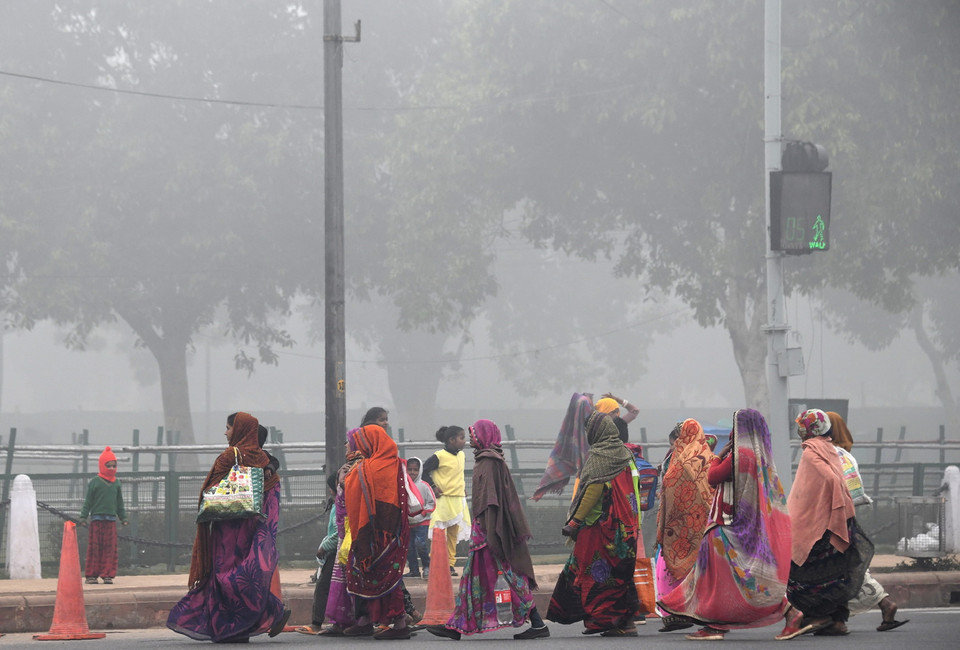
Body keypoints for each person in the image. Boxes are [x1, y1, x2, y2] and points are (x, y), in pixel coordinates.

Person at [657, 409, 794, 641]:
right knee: (742, 577)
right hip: (747, 525)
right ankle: (789, 612)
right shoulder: (759, 455)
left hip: (726, 523)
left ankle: (716, 625)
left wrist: (721, 453)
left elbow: (713, 476)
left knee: (716, 576)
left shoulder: (739, 454)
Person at [167, 411, 290, 643]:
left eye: (228, 428)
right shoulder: (264, 462)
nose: (226, 433)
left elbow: (210, 490)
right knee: (245, 576)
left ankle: (230, 626)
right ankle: (259, 618)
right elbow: (270, 498)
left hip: (227, 531)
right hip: (252, 530)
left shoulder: (229, 455)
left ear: (240, 430)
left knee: (223, 575)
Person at [427, 419, 549, 641]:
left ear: (484, 436)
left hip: (489, 532)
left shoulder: (489, 462)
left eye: (473, 434)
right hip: (484, 530)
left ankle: (538, 623)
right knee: (475, 579)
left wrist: (490, 531)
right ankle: (457, 626)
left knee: (508, 577)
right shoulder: (487, 460)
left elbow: (491, 500)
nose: (471, 438)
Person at [546, 411, 642, 637]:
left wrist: (575, 521)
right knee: (621, 574)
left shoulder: (600, 456)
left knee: (596, 574)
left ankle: (602, 620)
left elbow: (592, 491)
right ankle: (626, 623)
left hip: (601, 528)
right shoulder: (626, 453)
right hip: (627, 528)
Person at [785, 408, 875, 637]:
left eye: (803, 426)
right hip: (833, 521)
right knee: (835, 574)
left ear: (810, 428)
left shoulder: (811, 451)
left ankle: (818, 616)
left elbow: (830, 478)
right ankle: (837, 622)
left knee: (801, 574)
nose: (800, 431)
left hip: (816, 523)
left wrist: (835, 504)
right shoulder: (829, 447)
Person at [826, 411, 908, 632]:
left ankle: (883, 604)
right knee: (840, 568)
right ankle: (837, 620)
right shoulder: (846, 455)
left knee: (843, 568)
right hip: (847, 517)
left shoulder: (831, 454)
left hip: (832, 519)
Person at [342, 423, 412, 640]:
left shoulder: (368, 467)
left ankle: (398, 624)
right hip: (393, 532)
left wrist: (349, 474)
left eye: (362, 442)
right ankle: (367, 621)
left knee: (373, 575)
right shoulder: (397, 464)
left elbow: (348, 485)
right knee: (382, 576)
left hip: (372, 533)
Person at [654, 419, 716, 633]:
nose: (673, 447)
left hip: (689, 524)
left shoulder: (688, 461)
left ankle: (683, 613)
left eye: (675, 442)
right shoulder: (706, 456)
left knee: (679, 568)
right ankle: (682, 612)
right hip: (690, 524)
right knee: (679, 569)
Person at [320, 427, 365, 636]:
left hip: (353, 531)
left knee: (352, 577)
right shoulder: (348, 466)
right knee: (341, 578)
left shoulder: (360, 466)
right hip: (343, 532)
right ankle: (341, 621)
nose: (346, 445)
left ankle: (358, 620)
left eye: (349, 441)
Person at [422, 425, 471, 576]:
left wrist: (461, 487)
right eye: (462, 438)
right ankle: (436, 562)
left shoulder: (462, 456)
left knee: (453, 534)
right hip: (442, 500)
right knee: (439, 533)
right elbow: (423, 471)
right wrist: (433, 487)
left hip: (458, 500)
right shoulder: (439, 456)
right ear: (451, 440)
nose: (465, 441)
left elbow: (458, 475)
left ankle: (450, 564)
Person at [295, 473, 339, 635]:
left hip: (335, 551)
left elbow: (338, 531)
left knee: (322, 587)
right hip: (338, 550)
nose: (329, 490)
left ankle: (316, 623)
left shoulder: (339, 506)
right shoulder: (336, 505)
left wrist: (324, 546)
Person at [79, 446, 129, 585]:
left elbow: (120, 503)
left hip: (111, 521)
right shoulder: (95, 482)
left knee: (109, 549)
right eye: (109, 465)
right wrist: (83, 516)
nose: (112, 468)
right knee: (94, 548)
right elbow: (88, 501)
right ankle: (91, 575)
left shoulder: (117, 483)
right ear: (102, 465)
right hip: (96, 520)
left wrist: (123, 517)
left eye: (114, 465)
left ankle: (107, 574)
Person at [404, 457, 436, 579]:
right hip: (408, 522)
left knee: (420, 543)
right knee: (409, 547)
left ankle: (427, 566)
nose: (412, 472)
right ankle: (414, 570)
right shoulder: (403, 486)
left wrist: (424, 513)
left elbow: (431, 502)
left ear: (420, 470)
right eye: (410, 469)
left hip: (422, 521)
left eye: (415, 470)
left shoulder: (424, 486)